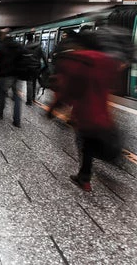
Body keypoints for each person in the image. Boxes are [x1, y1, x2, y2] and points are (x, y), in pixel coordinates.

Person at [53, 31, 121, 192]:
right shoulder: (108, 61)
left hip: (84, 112)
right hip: (103, 112)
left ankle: (84, 177)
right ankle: (86, 175)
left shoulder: (79, 61)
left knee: (84, 144)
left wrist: (56, 105)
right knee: (92, 143)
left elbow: (70, 89)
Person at [0, 28, 23, 127]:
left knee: (2, 94)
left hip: (5, 75)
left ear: (2, 36)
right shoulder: (19, 45)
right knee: (17, 97)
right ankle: (17, 120)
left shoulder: (0, 46)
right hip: (18, 75)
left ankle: (0, 113)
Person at [24, 34, 48, 106]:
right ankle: (33, 97)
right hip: (37, 67)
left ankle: (29, 101)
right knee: (34, 82)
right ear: (33, 37)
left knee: (29, 83)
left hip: (28, 67)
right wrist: (46, 66)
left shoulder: (25, 47)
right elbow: (43, 56)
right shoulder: (38, 46)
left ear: (27, 39)